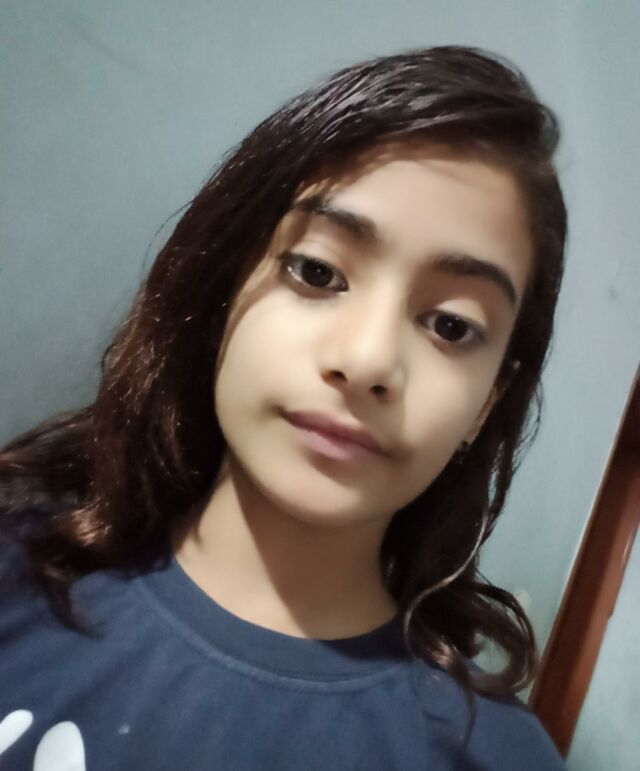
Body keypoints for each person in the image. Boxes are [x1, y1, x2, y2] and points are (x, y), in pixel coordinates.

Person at [0, 45, 568, 769]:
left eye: (451, 325)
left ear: (488, 403)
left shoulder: (495, 757)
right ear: (223, 289)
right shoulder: (17, 574)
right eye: (317, 272)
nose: (367, 360)